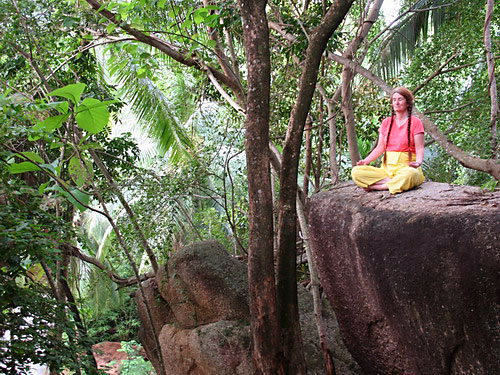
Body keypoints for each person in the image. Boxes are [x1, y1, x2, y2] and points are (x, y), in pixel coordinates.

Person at [351, 87, 425, 194]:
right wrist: (366, 161)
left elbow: (420, 148)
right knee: (356, 172)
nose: (396, 102)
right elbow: (380, 147)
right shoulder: (386, 122)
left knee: (410, 175)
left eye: (400, 99)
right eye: (394, 100)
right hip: (386, 171)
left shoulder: (415, 122)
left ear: (408, 103)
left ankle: (379, 187)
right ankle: (391, 183)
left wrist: (418, 162)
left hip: (406, 168)